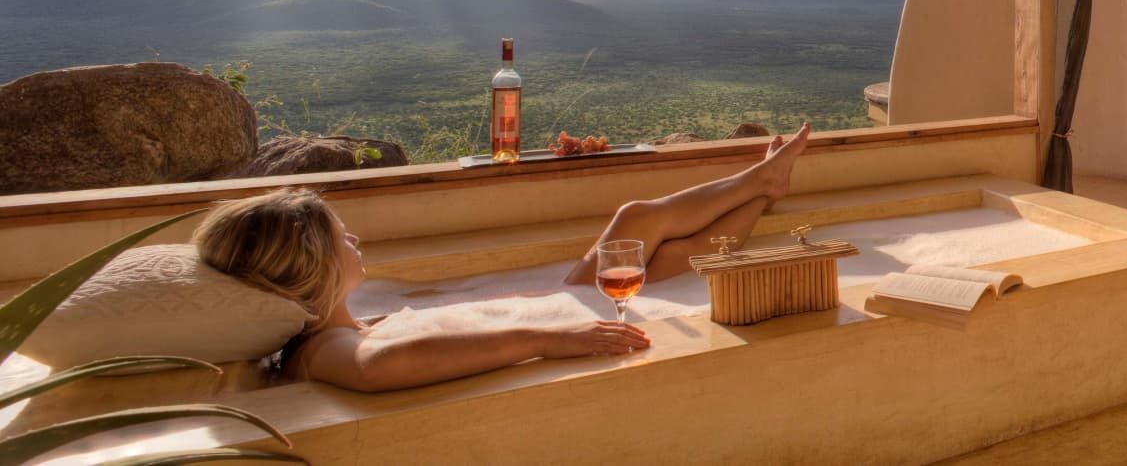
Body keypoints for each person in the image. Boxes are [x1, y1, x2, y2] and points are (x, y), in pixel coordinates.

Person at [195, 123, 810, 392]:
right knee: (653, 239)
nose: (354, 241)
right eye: (340, 237)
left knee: (646, 232)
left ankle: (762, 183)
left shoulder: (336, 325)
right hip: (563, 321)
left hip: (558, 308)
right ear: (308, 264)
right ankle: (762, 182)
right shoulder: (322, 349)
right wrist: (550, 340)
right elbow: (376, 371)